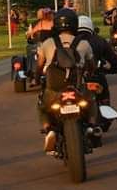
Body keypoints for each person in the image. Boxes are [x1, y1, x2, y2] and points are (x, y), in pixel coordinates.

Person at [36, 12, 94, 153]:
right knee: (92, 100)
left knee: (42, 106)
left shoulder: (48, 43)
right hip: (77, 88)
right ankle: (92, 126)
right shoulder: (83, 43)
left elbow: (39, 64)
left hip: (55, 89)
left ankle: (49, 129)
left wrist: (37, 77)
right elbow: (91, 65)